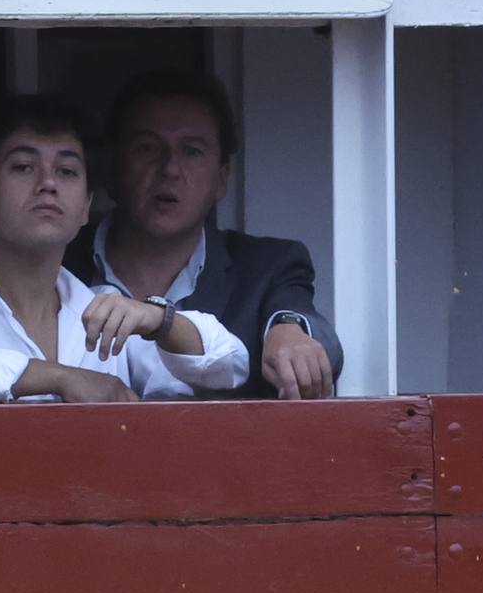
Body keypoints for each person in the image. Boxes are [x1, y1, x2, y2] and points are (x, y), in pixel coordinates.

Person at [0, 92, 249, 404]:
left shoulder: (106, 313)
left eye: (67, 171)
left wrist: (157, 318)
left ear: (86, 206)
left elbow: (229, 365)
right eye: (23, 167)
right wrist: (58, 378)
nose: (48, 183)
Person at [72, 68, 341, 401]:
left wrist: (290, 331)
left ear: (221, 179)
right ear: (113, 169)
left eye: (192, 151)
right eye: (146, 148)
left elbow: (305, 322)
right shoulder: (61, 262)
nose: (170, 168)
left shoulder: (267, 266)